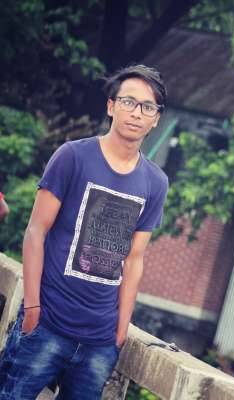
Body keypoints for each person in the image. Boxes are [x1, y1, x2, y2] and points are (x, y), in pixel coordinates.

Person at [0, 65, 169, 399]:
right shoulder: (72, 157)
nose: (137, 113)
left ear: (156, 119)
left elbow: (134, 259)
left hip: (99, 342)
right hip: (47, 323)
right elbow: (36, 232)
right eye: (129, 102)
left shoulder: (155, 182)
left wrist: (120, 331)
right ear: (111, 106)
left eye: (147, 107)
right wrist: (32, 309)